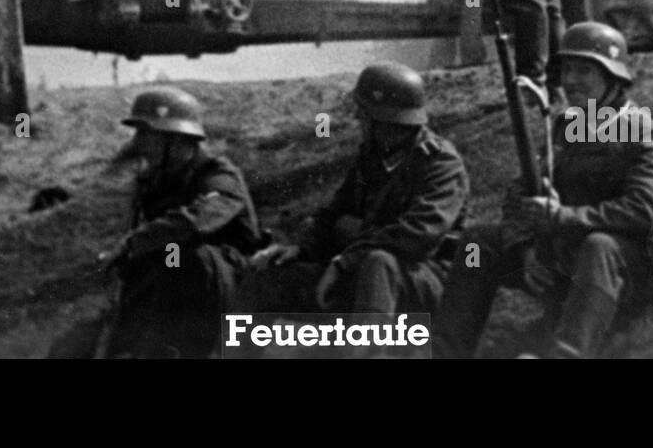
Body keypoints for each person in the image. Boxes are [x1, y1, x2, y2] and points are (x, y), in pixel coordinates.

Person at [432, 22, 653, 359]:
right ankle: (446, 353)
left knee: (599, 245)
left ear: (613, 78)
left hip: (625, 267)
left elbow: (645, 212)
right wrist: (526, 249)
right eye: (567, 70)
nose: (571, 80)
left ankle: (567, 353)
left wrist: (563, 217)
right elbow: (522, 193)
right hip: (563, 255)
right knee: (478, 243)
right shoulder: (567, 128)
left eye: (585, 71)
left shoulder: (647, 133)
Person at [239, 63, 469, 319]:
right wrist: (301, 248)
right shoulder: (372, 157)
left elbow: (417, 236)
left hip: (426, 278)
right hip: (362, 265)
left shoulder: (440, 163)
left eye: (362, 112)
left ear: (379, 119)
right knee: (269, 277)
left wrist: (345, 262)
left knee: (379, 264)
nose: (358, 119)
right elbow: (335, 212)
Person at [92, 87, 263, 358]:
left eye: (148, 134)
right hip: (177, 275)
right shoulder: (154, 181)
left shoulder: (219, 175)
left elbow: (198, 220)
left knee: (183, 253)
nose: (139, 143)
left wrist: (135, 242)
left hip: (230, 278)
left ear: (177, 138)